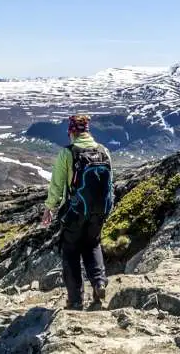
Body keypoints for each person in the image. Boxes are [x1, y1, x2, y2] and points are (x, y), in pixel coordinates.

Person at [41, 114, 114, 310]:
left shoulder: (68, 153)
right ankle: (99, 284)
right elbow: (110, 187)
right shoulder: (103, 151)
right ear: (88, 130)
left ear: (72, 132)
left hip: (75, 212)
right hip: (99, 213)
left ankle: (75, 300)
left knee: (71, 251)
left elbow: (57, 185)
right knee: (93, 245)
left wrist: (49, 208)